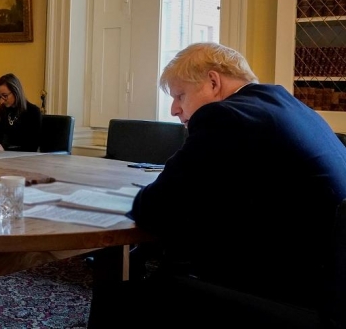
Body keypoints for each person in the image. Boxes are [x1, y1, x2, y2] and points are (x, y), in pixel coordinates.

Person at [87, 42, 346, 328]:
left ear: (213, 82)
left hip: (293, 293)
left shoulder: (228, 117)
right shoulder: (285, 104)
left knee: (115, 299)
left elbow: (155, 208)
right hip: (330, 282)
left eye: (180, 95)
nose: (174, 109)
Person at [0, 73, 41, 152]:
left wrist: (5, 150)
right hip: (2, 157)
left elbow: (31, 146)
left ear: (16, 92)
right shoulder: (2, 110)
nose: (1, 101)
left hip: (24, 160)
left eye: (5, 96)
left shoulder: (33, 112)